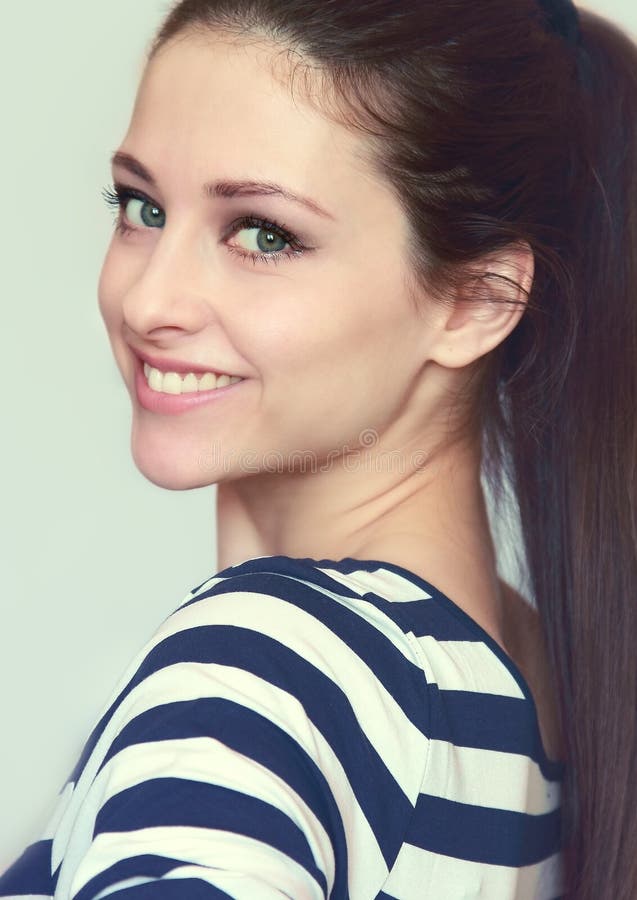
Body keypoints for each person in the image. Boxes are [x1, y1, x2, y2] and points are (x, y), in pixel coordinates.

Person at [2, 0, 636, 897]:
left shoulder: (264, 668)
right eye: (141, 206)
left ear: (477, 300)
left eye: (264, 234)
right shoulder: (533, 688)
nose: (149, 301)